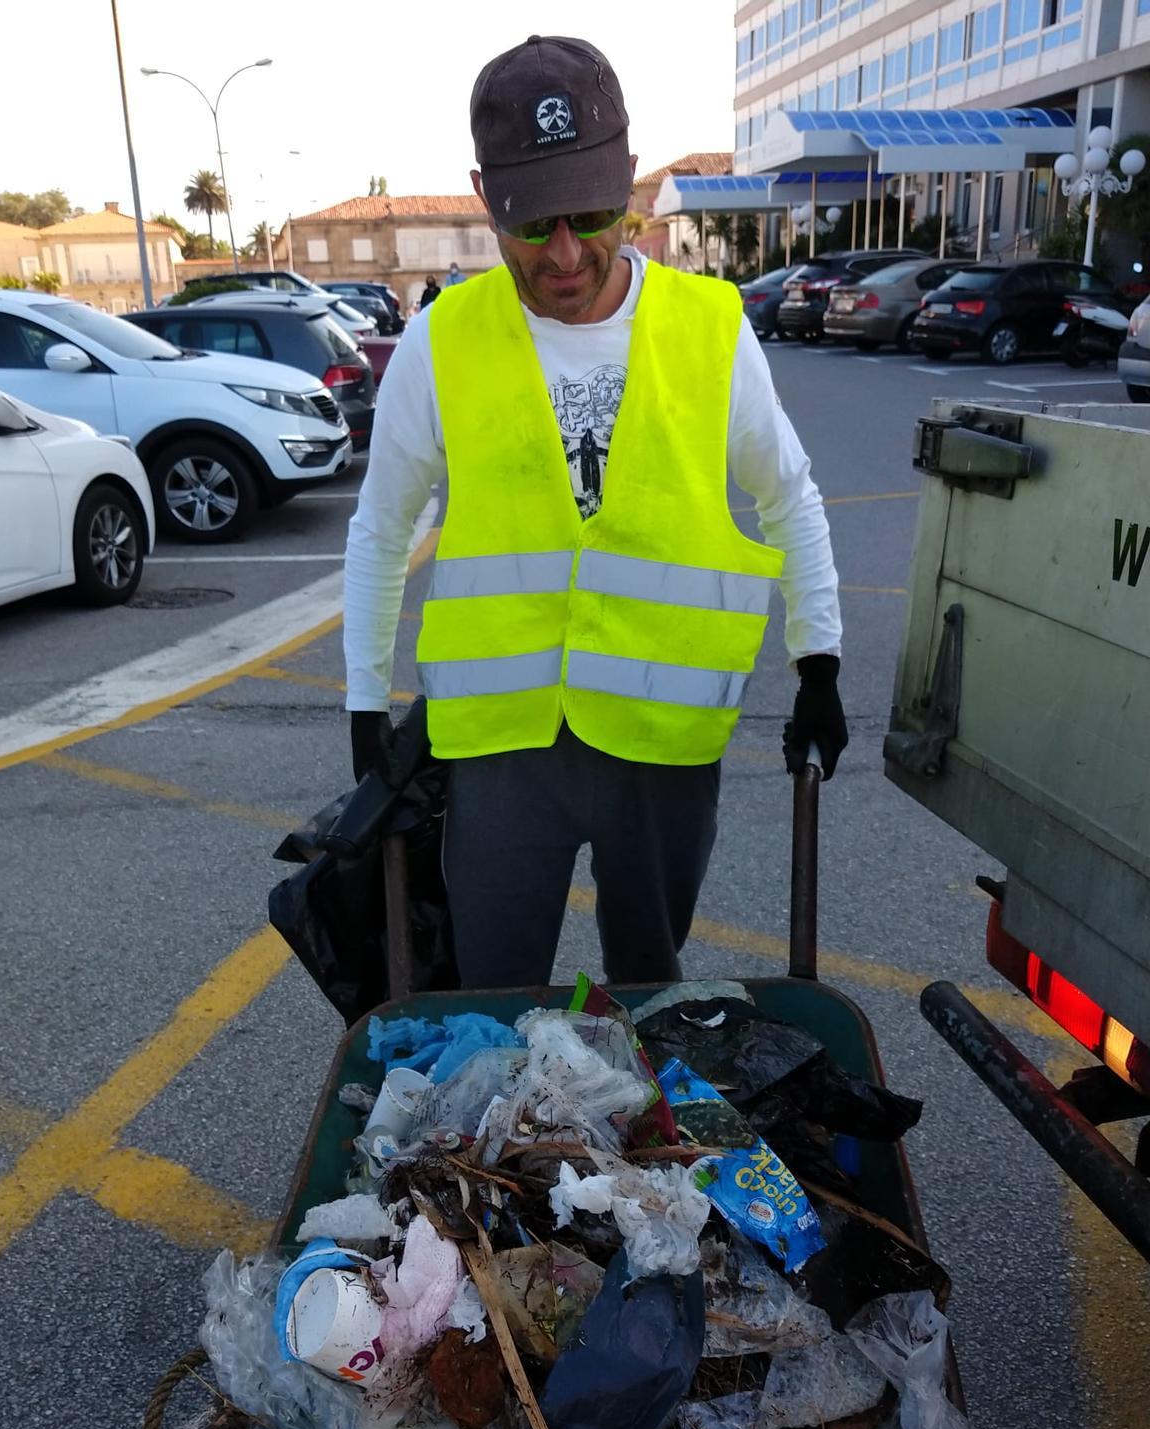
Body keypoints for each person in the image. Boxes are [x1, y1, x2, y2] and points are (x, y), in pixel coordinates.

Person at [343, 34, 846, 989]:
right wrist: (365, 696)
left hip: (663, 744)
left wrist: (818, 660)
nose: (566, 254)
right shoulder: (442, 342)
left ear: (627, 184)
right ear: (488, 200)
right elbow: (380, 530)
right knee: (493, 996)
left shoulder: (710, 328)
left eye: (591, 213)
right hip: (501, 750)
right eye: (534, 225)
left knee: (652, 992)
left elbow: (791, 496)